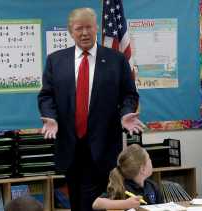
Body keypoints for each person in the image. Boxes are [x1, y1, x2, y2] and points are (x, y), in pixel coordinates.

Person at [37, 7, 142, 211]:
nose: (84, 33)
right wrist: (51, 117)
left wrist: (126, 113)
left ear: (97, 28)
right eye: (79, 28)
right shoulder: (55, 60)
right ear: (71, 31)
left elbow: (129, 94)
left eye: (89, 27)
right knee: (78, 203)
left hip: (105, 146)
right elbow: (46, 95)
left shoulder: (116, 60)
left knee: (105, 203)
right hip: (71, 147)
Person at [92, 144, 163, 210]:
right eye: (149, 158)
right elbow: (96, 204)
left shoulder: (153, 186)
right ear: (142, 169)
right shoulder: (121, 187)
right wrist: (126, 204)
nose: (151, 161)